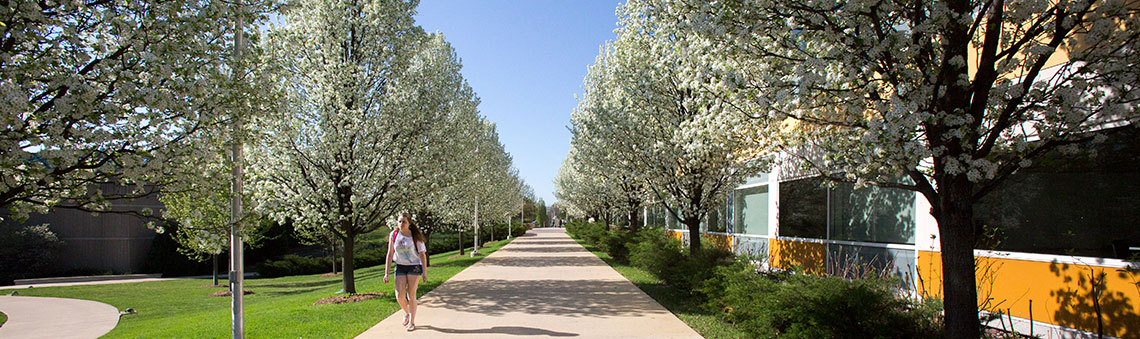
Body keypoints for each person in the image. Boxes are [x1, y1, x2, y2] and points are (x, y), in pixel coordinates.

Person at [383, 212, 428, 331]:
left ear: (409, 223)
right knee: (399, 295)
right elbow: (390, 254)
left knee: (411, 295)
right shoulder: (394, 234)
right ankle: (406, 312)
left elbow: (422, 255)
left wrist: (424, 272)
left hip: (414, 266)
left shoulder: (415, 236)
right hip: (400, 266)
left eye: (404, 222)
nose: (401, 224)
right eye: (399, 221)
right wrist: (386, 272)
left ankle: (412, 322)